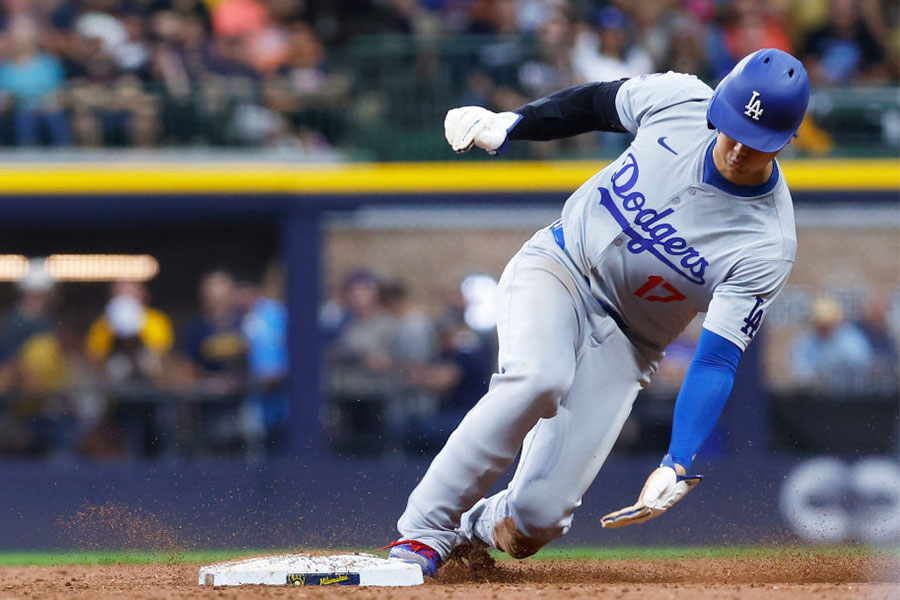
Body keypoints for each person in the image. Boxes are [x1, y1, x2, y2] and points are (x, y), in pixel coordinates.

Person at [384, 48, 809, 575]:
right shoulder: (681, 100)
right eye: (732, 129)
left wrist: (677, 460)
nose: (739, 149)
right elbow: (595, 104)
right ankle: (424, 533)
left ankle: (473, 526)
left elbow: (717, 360)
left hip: (630, 343)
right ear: (719, 105)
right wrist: (512, 122)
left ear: (788, 141)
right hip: (561, 266)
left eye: (758, 143)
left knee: (534, 524)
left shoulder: (766, 242)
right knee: (537, 378)